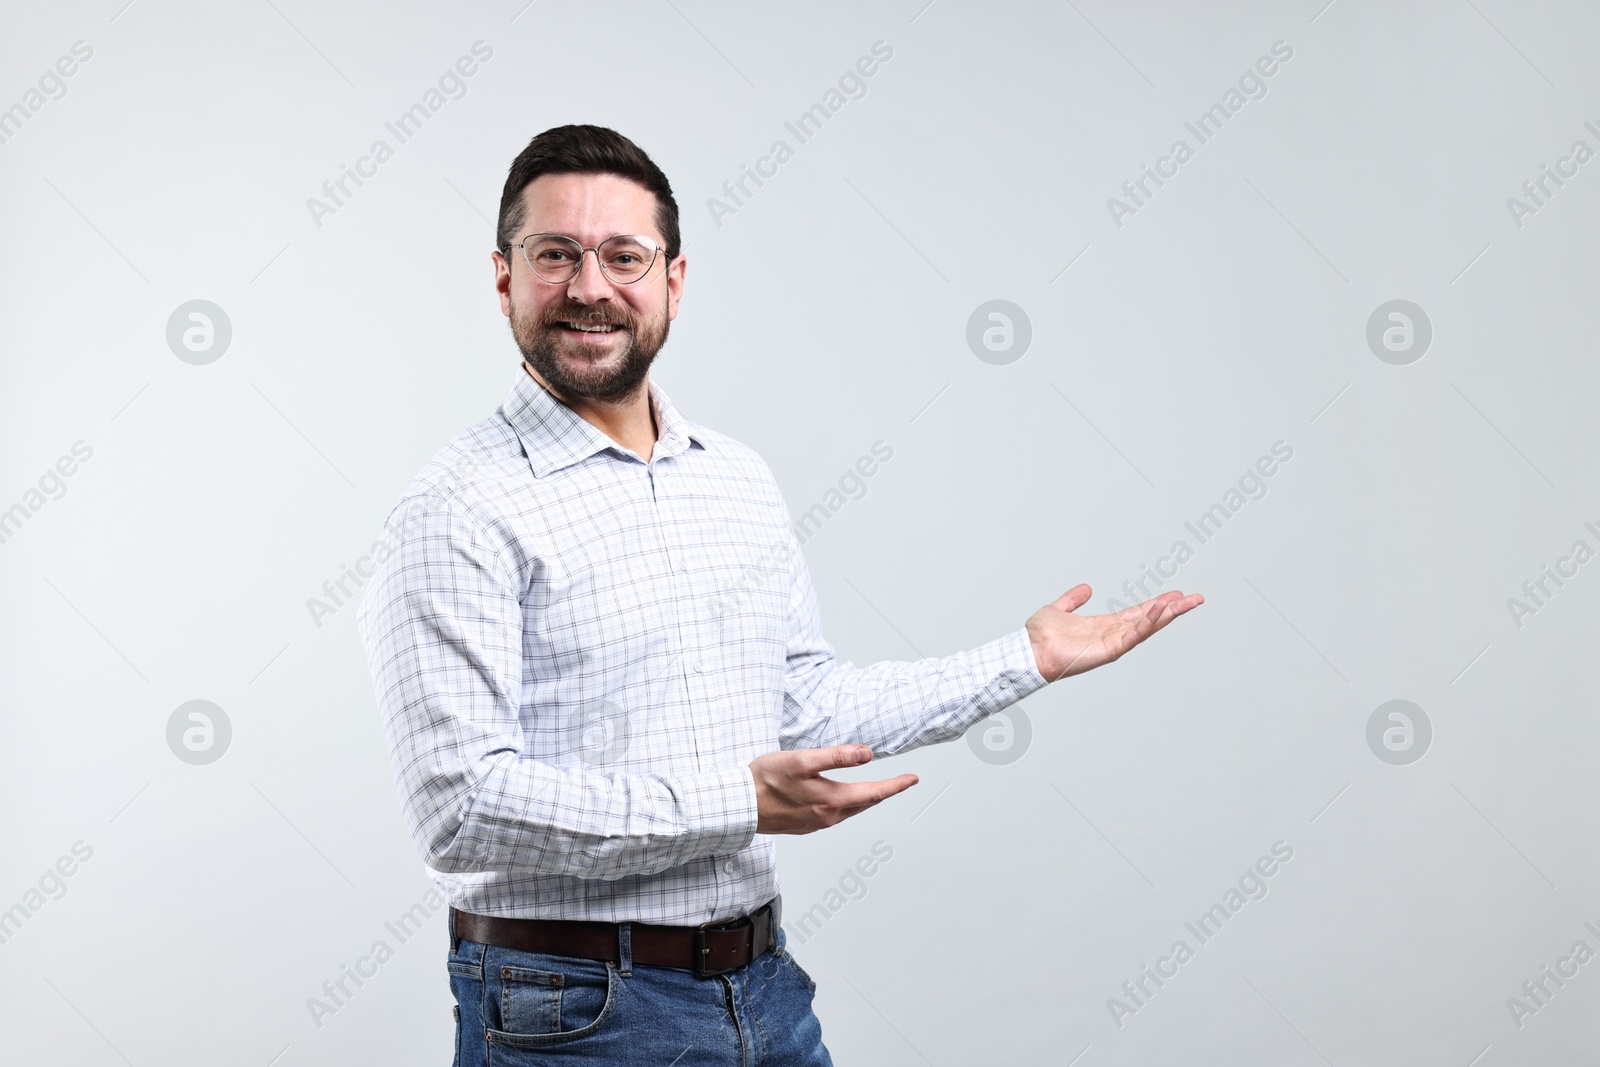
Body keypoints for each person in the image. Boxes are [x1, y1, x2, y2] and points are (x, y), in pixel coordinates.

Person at [356, 124, 1203, 1066]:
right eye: (556, 254)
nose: (590, 286)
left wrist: (1025, 658)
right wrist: (734, 799)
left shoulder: (735, 478)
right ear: (506, 277)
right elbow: (461, 806)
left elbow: (803, 705)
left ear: (673, 280)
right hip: (571, 1012)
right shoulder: (456, 507)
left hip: (762, 988)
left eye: (623, 256)